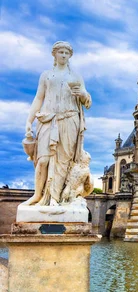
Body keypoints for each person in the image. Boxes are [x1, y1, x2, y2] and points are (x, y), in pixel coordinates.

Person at [22, 41, 92, 206]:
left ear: (70, 56)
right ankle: (38, 195)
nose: (63, 55)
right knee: (43, 160)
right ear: (54, 54)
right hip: (48, 119)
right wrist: (29, 120)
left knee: (63, 161)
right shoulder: (46, 75)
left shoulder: (75, 76)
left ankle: (54, 198)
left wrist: (83, 94)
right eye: (60, 52)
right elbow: (39, 98)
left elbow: (87, 101)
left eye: (66, 53)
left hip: (69, 120)